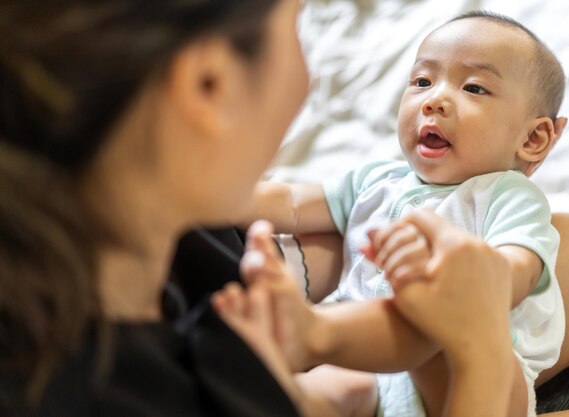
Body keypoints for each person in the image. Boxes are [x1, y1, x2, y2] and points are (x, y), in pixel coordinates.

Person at [0, 1, 524, 416]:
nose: (310, 80)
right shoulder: (156, 392)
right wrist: (482, 353)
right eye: (297, 26)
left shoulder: (160, 223)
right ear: (209, 85)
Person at [239, 10, 569, 417]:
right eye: (422, 81)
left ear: (534, 138)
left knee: (438, 323)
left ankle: (309, 332)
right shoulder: (378, 180)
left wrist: (466, 270)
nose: (435, 100)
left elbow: (520, 265)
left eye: (474, 88)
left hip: (477, 376)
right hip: (365, 370)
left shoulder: (507, 195)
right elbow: (291, 202)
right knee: (315, 394)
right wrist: (230, 196)